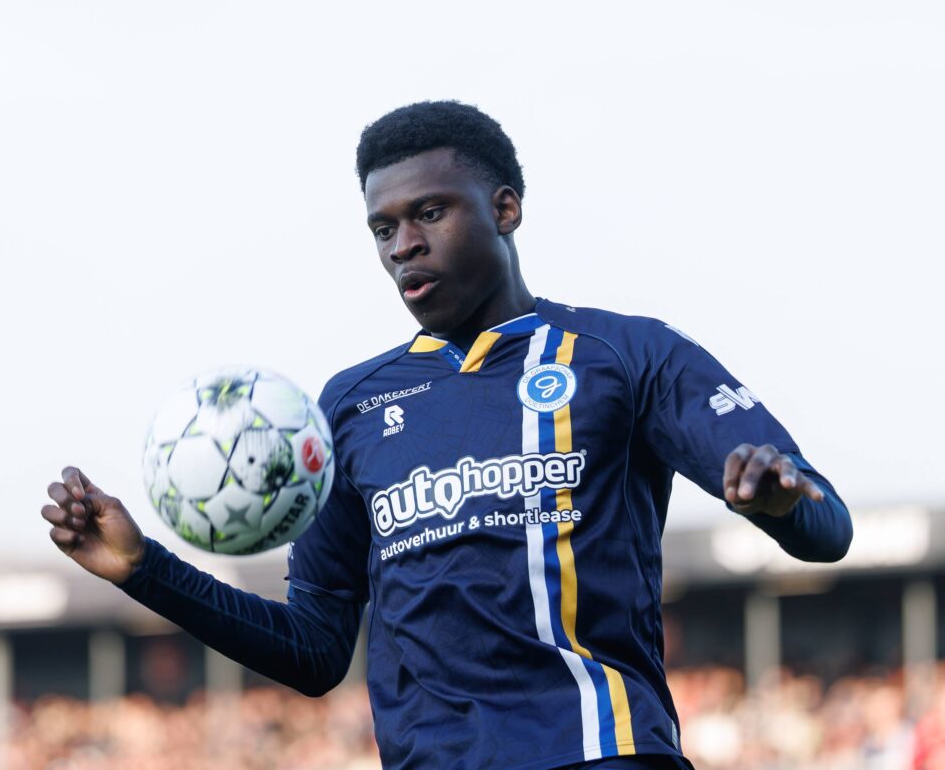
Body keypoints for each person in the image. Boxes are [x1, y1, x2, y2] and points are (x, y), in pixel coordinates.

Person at [41, 101, 852, 769]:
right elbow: (316, 650)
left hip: (600, 753)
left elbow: (830, 528)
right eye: (382, 229)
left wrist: (780, 505)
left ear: (505, 208)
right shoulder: (348, 407)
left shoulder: (625, 354)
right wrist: (143, 570)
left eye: (430, 212)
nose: (404, 246)